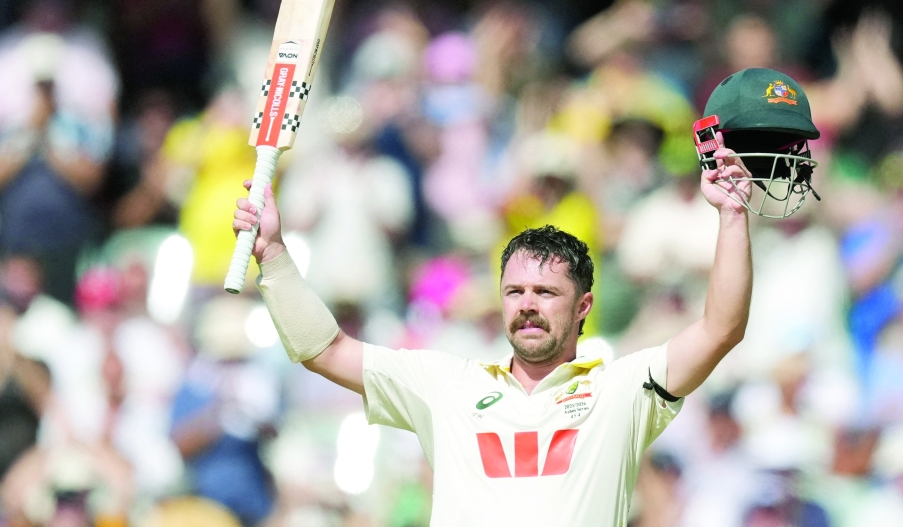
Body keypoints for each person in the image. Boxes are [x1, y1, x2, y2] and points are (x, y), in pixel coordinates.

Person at [231, 133, 753, 526]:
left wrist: (732, 215)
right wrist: (272, 254)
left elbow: (721, 329)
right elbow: (324, 350)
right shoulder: (446, 386)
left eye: (545, 293)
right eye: (514, 291)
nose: (527, 305)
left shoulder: (621, 390)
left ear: (583, 307)